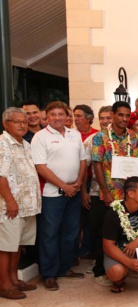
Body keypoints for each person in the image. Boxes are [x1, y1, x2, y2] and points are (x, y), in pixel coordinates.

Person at [32, 101, 87, 291]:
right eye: (53, 115)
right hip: (52, 195)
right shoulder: (40, 137)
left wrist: (78, 182)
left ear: (67, 116)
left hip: (74, 192)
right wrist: (64, 186)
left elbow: (82, 160)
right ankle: (49, 274)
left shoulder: (75, 134)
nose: (57, 118)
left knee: (71, 233)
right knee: (50, 234)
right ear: (46, 117)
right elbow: (40, 167)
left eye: (60, 114)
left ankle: (64, 268)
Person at [91, 102, 138, 282]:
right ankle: (100, 270)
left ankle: (124, 264)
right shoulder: (100, 137)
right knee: (103, 231)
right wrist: (105, 190)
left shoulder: (133, 137)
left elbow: (136, 164)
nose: (124, 119)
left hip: (127, 195)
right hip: (107, 193)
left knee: (125, 230)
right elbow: (96, 164)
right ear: (112, 115)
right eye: (120, 115)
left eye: (127, 116)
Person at [0, 107, 41, 299]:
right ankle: (4, 285)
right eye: (17, 122)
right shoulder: (3, 144)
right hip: (10, 207)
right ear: (5, 124)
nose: (22, 125)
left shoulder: (24, 144)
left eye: (24, 122)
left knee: (17, 245)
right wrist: (9, 200)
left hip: (26, 205)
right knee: (6, 246)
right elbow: (0, 176)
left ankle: (14, 280)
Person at [83, 106, 112, 286]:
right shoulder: (91, 140)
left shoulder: (125, 139)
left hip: (120, 193)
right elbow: (84, 166)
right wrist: (83, 192)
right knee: (98, 231)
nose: (105, 121)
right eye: (102, 118)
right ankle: (99, 269)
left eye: (109, 117)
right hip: (96, 192)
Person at [73, 104, 98, 259]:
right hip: (76, 182)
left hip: (92, 181)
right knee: (77, 220)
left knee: (91, 219)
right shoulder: (72, 136)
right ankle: (76, 252)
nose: (75, 119)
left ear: (89, 118)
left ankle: (89, 250)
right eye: (74, 116)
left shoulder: (97, 136)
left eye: (79, 116)